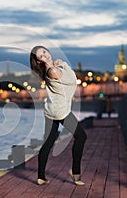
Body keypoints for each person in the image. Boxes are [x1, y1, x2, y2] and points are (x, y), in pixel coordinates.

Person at [30, 45, 87, 186]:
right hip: (60, 111)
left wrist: (59, 64)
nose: (45, 55)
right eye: (41, 56)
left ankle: (41, 177)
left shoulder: (48, 71)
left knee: (48, 142)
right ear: (39, 61)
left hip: (50, 110)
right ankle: (75, 173)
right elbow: (72, 80)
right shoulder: (54, 71)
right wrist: (64, 64)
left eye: (44, 52)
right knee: (81, 136)